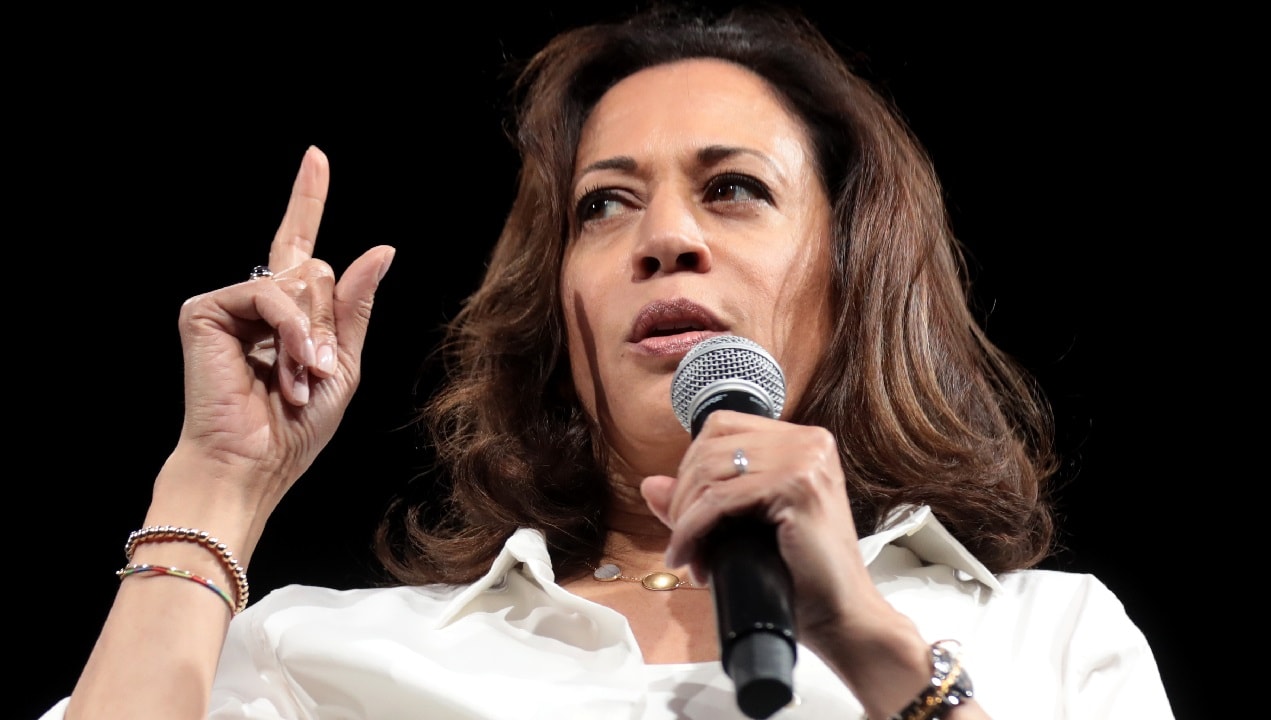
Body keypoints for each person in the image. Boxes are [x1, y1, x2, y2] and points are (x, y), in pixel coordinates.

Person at [38, 3, 1174, 719]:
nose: (664, 238)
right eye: (604, 204)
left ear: (851, 268)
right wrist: (217, 483)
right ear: (561, 303)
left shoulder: (1046, 637)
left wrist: (875, 655)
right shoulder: (322, 654)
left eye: (732, 189)